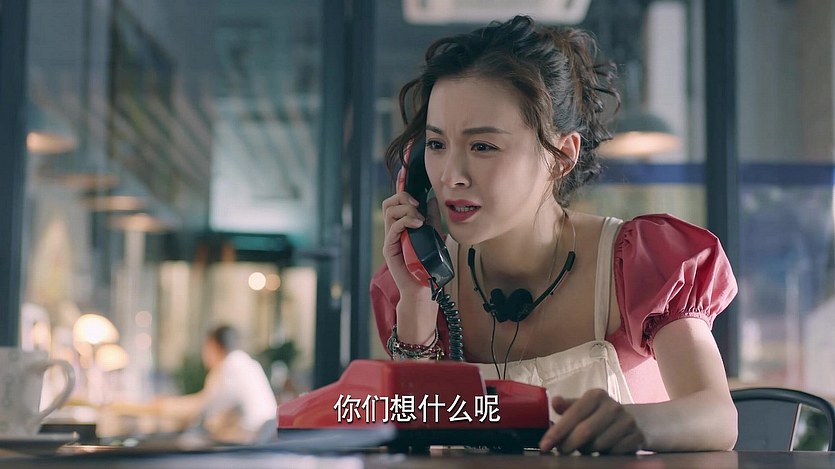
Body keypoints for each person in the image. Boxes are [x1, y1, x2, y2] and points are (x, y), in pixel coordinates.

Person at [371, 15, 738, 454]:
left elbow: (718, 416)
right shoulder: (423, 286)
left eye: (483, 146)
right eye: (436, 145)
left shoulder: (639, 262)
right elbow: (415, 437)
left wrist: (636, 423)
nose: (451, 175)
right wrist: (418, 299)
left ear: (562, 156)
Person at [155, 325, 277, 444]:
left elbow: (203, 407)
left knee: (186, 442)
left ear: (213, 345)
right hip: (264, 441)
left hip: (246, 443)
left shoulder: (228, 368)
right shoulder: (249, 364)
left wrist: (164, 406)